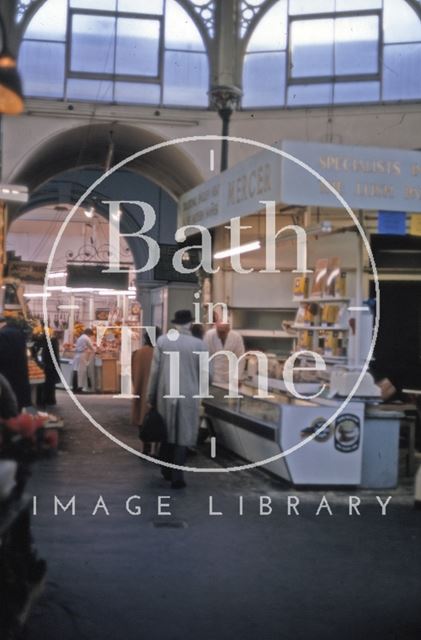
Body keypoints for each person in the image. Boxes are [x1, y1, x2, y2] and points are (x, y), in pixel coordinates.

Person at [147, 310, 207, 489]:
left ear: (175, 324)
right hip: (189, 394)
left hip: (165, 393)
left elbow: (155, 372)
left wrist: (151, 395)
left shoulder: (163, 341)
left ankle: (166, 468)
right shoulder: (199, 345)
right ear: (190, 323)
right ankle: (177, 475)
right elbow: (207, 374)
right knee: (182, 435)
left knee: (167, 431)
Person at [131, 327, 162, 455]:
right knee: (158, 419)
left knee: (142, 419)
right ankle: (157, 447)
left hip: (140, 389)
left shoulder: (137, 353)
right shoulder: (161, 353)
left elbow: (133, 374)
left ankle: (145, 447)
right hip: (157, 392)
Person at [0, 316, 32, 410]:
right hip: (19, 374)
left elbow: (2, 356)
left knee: (9, 406)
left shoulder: (2, 334)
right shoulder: (18, 332)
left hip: (7, 375)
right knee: (18, 403)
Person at [204, 320, 246, 387]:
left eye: (222, 332)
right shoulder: (209, 335)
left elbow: (240, 358)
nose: (220, 334)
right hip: (213, 376)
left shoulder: (236, 337)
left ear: (228, 330)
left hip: (230, 376)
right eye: (218, 331)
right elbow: (205, 357)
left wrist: (237, 377)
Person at [32, 323, 61, 407]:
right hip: (49, 365)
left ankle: (44, 400)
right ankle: (48, 400)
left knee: (46, 384)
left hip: (47, 364)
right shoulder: (51, 339)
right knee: (48, 384)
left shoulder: (46, 339)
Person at [72, 328, 96, 393]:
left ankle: (74, 387)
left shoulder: (80, 338)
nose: (90, 336)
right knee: (81, 373)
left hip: (77, 355)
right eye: (91, 335)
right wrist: (95, 350)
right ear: (89, 334)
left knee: (76, 371)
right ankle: (79, 388)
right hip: (82, 356)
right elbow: (91, 347)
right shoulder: (86, 338)